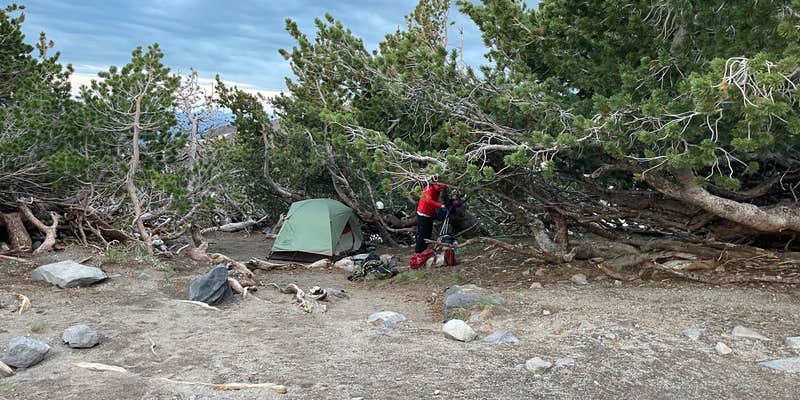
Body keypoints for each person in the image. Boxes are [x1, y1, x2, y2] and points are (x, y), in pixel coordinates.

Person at [415, 183, 447, 253]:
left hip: (429, 214)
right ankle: (418, 252)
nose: (441, 190)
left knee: (428, 234)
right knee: (422, 235)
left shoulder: (436, 190)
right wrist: (440, 205)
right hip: (423, 214)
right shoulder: (428, 189)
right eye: (441, 188)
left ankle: (424, 252)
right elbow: (428, 201)